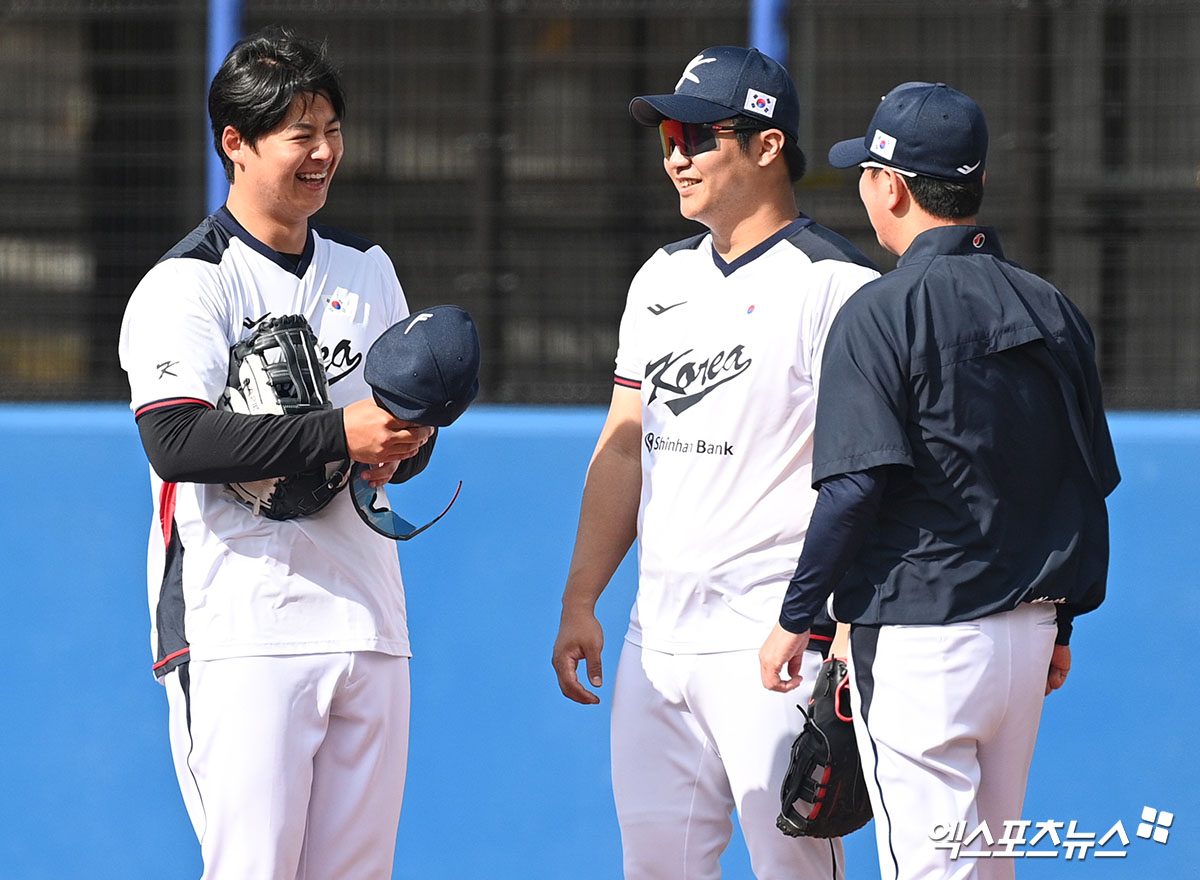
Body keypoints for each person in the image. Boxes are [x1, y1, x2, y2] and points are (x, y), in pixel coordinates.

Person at [758, 82, 1121, 880]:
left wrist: (795, 618)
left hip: (923, 641)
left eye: (867, 172)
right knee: (988, 866)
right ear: (976, 182)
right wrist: (1061, 627)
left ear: (889, 186)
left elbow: (854, 490)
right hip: (1027, 636)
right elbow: (1086, 480)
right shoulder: (1054, 308)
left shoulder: (879, 311)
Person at [118, 26, 443, 879]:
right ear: (236, 142)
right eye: (301, 134)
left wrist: (408, 442)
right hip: (242, 624)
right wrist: (341, 432)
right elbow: (175, 438)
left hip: (369, 619)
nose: (324, 152)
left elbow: (395, 439)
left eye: (332, 130)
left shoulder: (367, 269)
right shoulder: (189, 281)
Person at [551, 46, 879, 880]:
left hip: (775, 643)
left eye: (699, 135)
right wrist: (582, 598)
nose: (676, 155)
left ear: (768, 145)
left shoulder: (836, 284)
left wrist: (838, 636)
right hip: (654, 641)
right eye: (668, 136)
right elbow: (624, 442)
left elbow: (869, 479)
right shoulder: (659, 277)